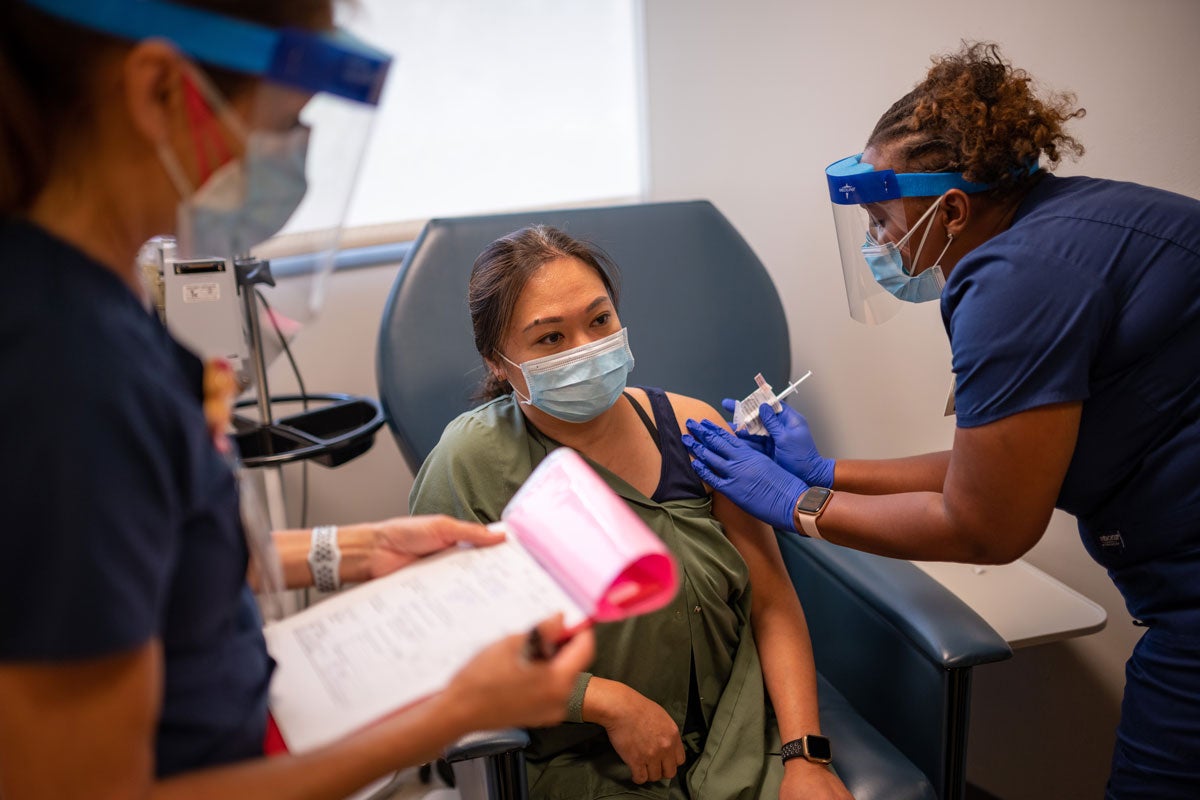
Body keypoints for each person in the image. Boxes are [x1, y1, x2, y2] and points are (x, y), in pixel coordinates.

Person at [0, 1, 593, 798]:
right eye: (288, 118)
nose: (296, 156)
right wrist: (453, 712)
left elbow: (137, 565)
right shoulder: (66, 371)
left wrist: (354, 549)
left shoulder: (88, 298)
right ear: (159, 93)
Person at [683, 41, 1200, 799]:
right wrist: (827, 472)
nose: (878, 245)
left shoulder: (1014, 281)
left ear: (952, 208)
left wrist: (799, 507)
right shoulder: (1071, 223)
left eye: (885, 222)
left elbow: (987, 526)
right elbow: (991, 468)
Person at [410, 225, 853, 800]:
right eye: (549, 339)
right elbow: (448, 639)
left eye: (599, 321)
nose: (585, 350)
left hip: (743, 737)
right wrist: (605, 703)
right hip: (588, 764)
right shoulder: (470, 463)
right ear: (499, 362)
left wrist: (805, 758)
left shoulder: (691, 429)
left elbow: (770, 602)